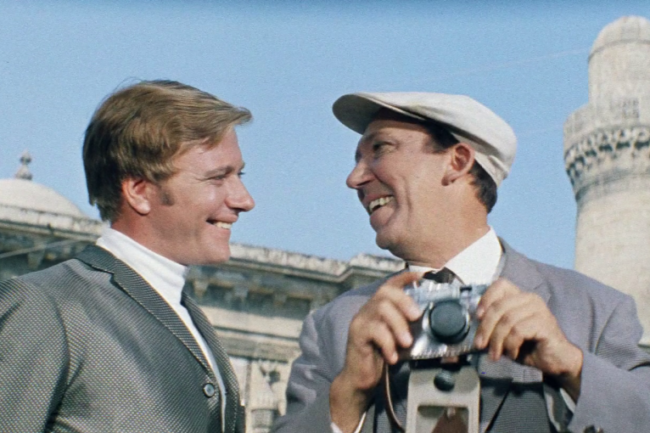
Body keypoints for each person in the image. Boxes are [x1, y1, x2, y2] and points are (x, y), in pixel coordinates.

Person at [272, 92, 650, 433]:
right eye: (357, 159)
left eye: (380, 149)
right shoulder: (335, 327)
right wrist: (347, 396)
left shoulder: (594, 312)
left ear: (458, 161)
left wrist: (574, 368)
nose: (354, 178)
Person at [0, 80, 255, 432]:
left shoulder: (190, 320)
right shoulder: (46, 307)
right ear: (139, 191)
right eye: (217, 178)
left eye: (239, 175)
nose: (244, 200)